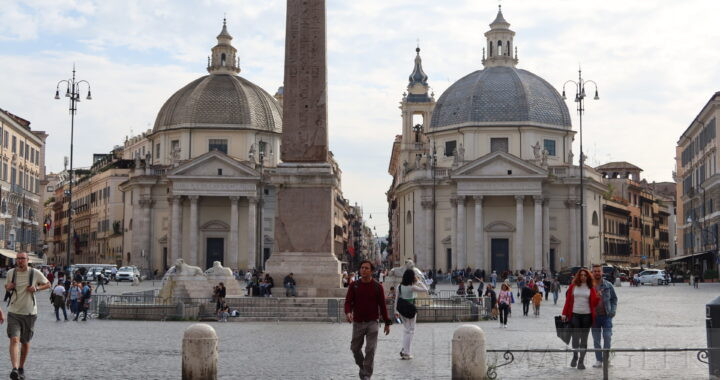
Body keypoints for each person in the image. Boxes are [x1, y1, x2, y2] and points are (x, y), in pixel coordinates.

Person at [4, 252, 51, 380]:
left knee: (25, 342)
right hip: (14, 312)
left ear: (27, 260)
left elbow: (48, 284)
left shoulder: (35, 273)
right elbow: (6, 287)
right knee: (14, 339)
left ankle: (21, 367)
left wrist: (36, 288)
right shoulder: (10, 273)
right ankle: (14, 368)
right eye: (18, 259)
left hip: (30, 313)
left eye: (22, 259)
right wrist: (8, 287)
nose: (20, 261)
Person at [344, 260, 391, 380]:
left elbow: (382, 306)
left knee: (370, 349)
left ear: (372, 271)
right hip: (358, 322)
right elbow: (348, 302)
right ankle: (363, 367)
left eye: (366, 268)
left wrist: (387, 322)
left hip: (372, 322)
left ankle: (366, 375)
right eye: (362, 268)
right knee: (355, 348)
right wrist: (348, 312)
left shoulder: (377, 287)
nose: (363, 270)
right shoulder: (354, 285)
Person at [561, 268, 599, 370]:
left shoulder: (591, 288)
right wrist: (564, 314)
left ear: (588, 277)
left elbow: (594, 303)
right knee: (575, 339)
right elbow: (568, 301)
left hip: (587, 316)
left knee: (584, 340)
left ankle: (581, 361)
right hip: (574, 315)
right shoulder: (573, 286)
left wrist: (598, 297)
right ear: (578, 276)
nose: (583, 277)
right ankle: (575, 356)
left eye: (585, 275)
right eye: (581, 275)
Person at [394, 268, 428, 360]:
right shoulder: (412, 287)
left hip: (402, 309)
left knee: (406, 330)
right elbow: (425, 289)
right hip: (410, 309)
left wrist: (395, 311)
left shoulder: (399, 286)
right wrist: (419, 281)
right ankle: (406, 352)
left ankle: (405, 350)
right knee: (411, 330)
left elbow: (396, 299)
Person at [591, 264, 618, 368]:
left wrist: (613, 310)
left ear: (602, 272)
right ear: (592, 272)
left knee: (607, 337)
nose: (597, 273)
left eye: (599, 271)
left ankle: (606, 359)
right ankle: (598, 360)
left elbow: (614, 299)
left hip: (607, 316)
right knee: (596, 340)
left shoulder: (608, 285)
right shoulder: (589, 286)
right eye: (595, 271)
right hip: (594, 317)